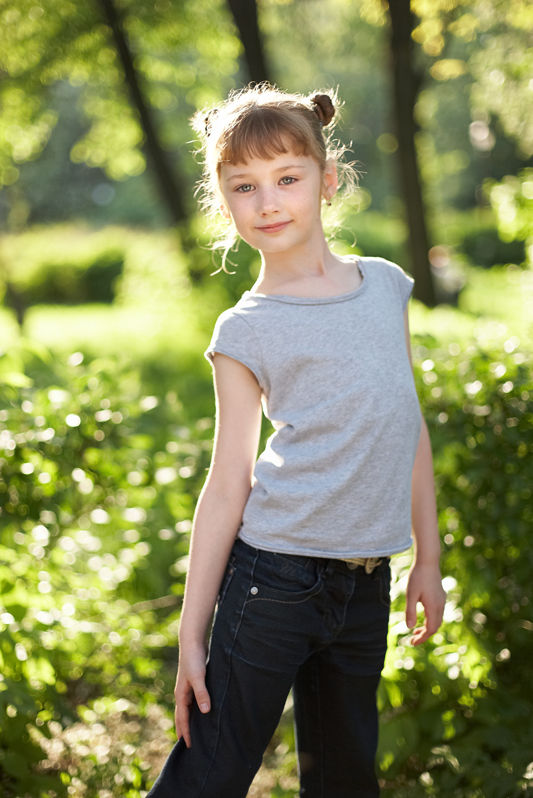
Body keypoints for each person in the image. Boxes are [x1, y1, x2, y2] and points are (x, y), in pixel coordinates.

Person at [147, 84, 446, 798]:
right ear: (224, 203)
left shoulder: (385, 287)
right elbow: (228, 481)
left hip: (366, 582)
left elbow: (405, 424)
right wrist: (191, 634)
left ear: (327, 180)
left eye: (287, 178)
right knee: (210, 777)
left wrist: (428, 560)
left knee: (344, 781)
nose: (268, 202)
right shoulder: (245, 328)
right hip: (273, 582)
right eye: (244, 186)